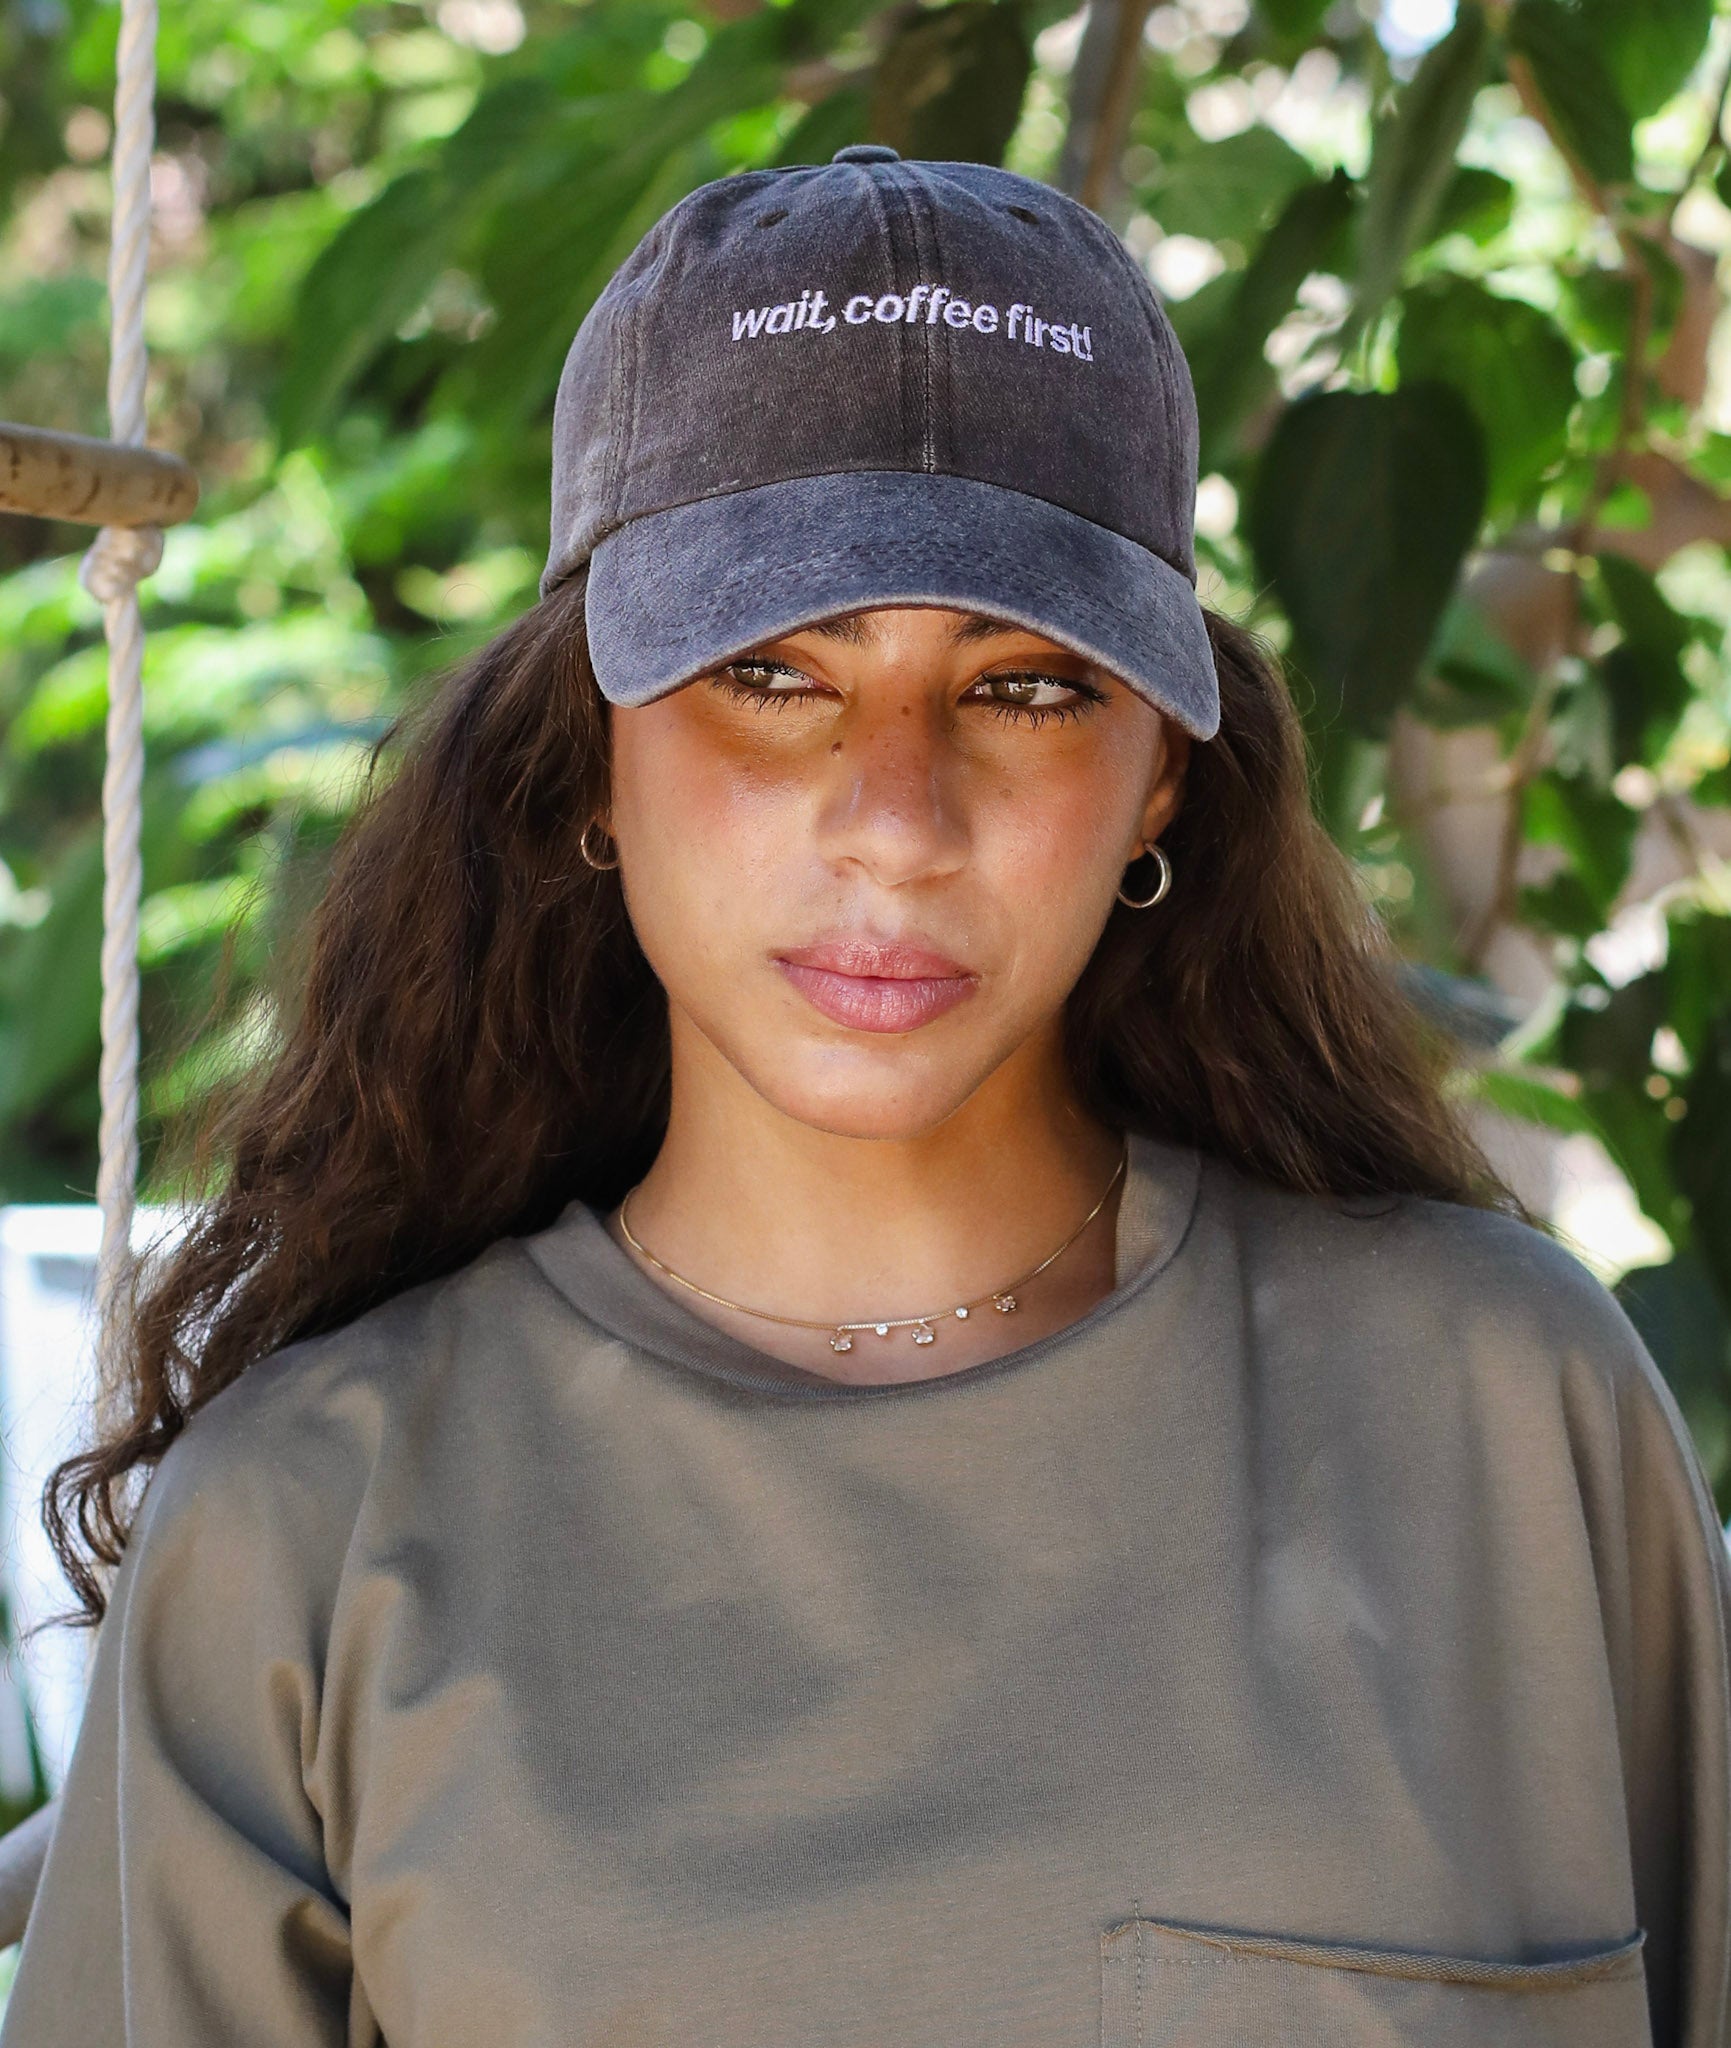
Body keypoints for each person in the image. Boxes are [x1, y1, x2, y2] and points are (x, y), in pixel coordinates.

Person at [4, 146, 1727, 2048]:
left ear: (1163, 775)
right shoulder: (311, 1532)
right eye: (769, 673)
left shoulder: (1505, 1416)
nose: (896, 822)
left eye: (1027, 686)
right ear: (587, 754)